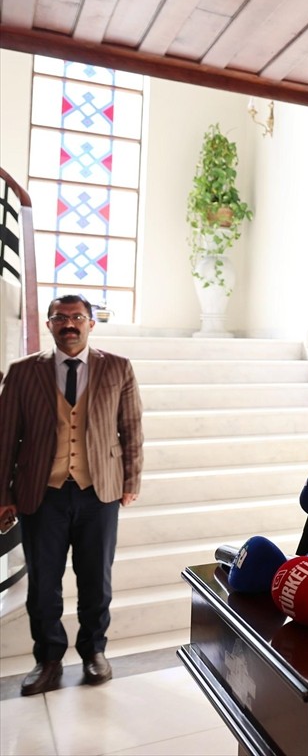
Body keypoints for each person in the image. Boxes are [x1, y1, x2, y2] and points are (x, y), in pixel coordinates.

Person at [0, 294, 144, 695]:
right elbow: (5, 437)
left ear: (91, 323)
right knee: (43, 584)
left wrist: (131, 480)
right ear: (48, 324)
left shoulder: (118, 368)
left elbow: (130, 429)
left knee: (96, 580)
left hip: (98, 492)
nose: (69, 323)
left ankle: (94, 652)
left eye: (77, 316)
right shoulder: (23, 372)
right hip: (41, 493)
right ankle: (48, 660)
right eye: (60, 317)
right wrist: (2, 494)